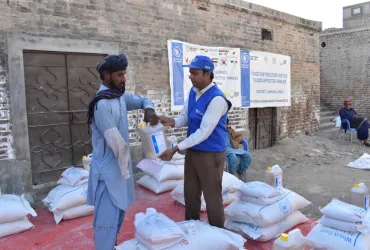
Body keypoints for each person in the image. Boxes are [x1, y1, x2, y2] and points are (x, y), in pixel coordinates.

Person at [86, 54, 159, 250]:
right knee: (105, 224)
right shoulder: (101, 104)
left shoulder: (120, 97)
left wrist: (149, 109)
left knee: (117, 218)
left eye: (124, 74)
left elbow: (144, 99)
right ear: (106, 75)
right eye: (119, 75)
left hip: (121, 171)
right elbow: (116, 143)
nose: (124, 79)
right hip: (108, 175)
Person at [159, 55, 232, 228]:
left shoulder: (217, 99)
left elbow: (203, 132)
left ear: (208, 75)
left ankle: (217, 234)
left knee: (212, 196)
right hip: (193, 151)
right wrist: (172, 121)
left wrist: (176, 148)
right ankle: (192, 229)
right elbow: (186, 116)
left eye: (195, 73)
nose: (191, 76)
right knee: (190, 193)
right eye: (190, 72)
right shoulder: (193, 92)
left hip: (210, 154)